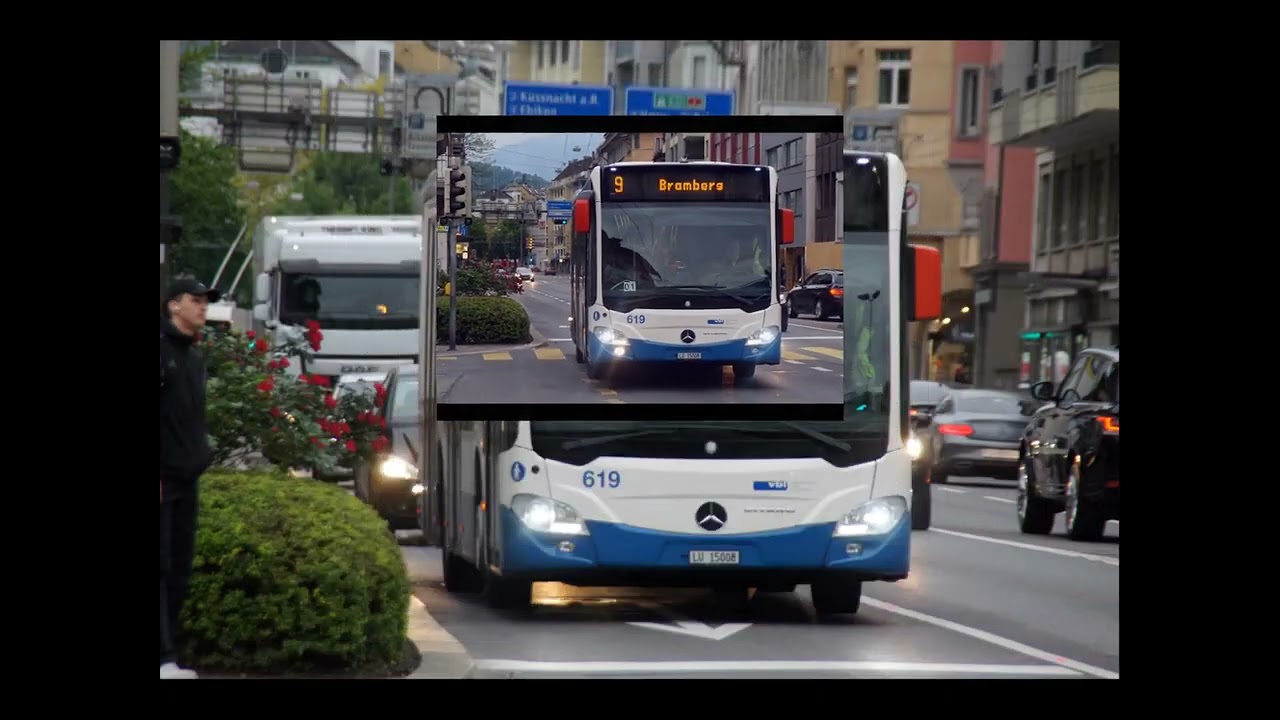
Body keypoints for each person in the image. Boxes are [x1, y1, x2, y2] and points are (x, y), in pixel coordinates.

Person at [159, 277, 220, 679]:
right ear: (172, 306)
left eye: (205, 302)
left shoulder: (192, 357)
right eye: (194, 301)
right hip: (163, 479)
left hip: (188, 478)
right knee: (160, 569)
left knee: (180, 568)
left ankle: (170, 655)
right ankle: (162, 658)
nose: (203, 308)